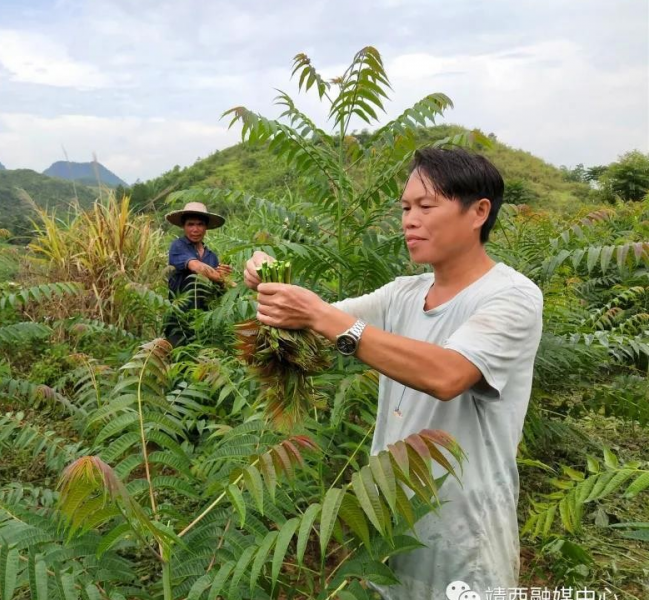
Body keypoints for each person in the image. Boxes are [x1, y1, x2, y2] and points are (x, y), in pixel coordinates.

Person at [243, 147, 543, 599]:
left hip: (464, 532)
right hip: (390, 518)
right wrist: (271, 282)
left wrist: (325, 318)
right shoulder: (404, 292)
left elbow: (449, 374)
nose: (409, 220)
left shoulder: (511, 297)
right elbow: (316, 319)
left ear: (479, 211)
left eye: (426, 206)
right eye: (405, 208)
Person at [163, 201, 233, 346]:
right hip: (180, 323)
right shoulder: (178, 246)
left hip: (204, 322)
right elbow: (195, 266)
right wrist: (225, 280)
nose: (195, 229)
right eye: (190, 224)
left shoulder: (211, 256)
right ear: (184, 226)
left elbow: (217, 290)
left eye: (200, 224)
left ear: (206, 227)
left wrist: (223, 279)